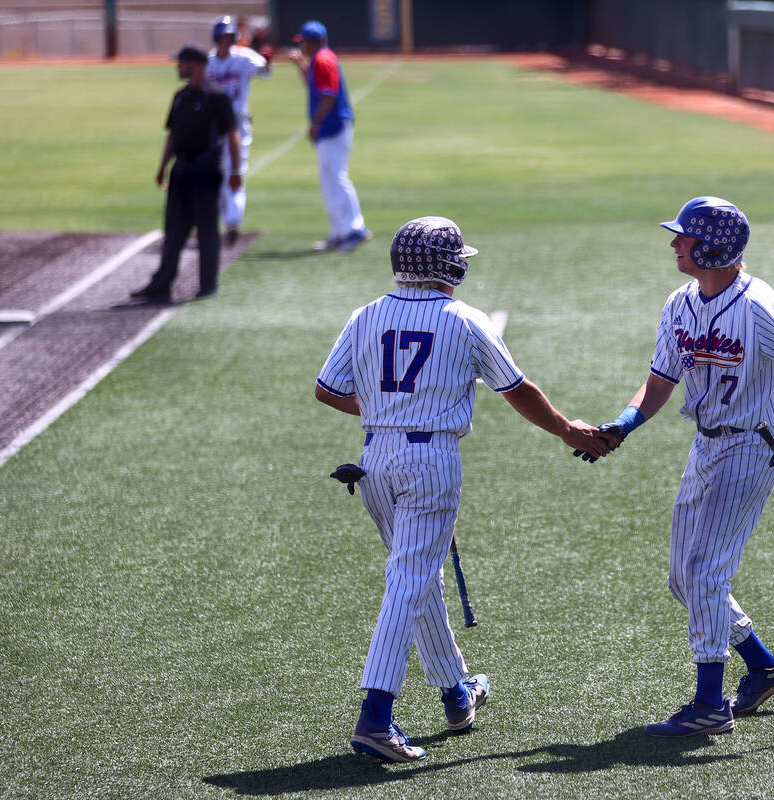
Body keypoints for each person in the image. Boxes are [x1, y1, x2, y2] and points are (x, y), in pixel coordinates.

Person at [315, 216, 609, 762]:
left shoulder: (365, 316)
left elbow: (328, 390)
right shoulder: (464, 320)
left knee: (417, 577)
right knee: (408, 580)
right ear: (448, 267)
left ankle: (455, 691)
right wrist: (570, 430)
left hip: (374, 459)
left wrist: (384, 411)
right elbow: (517, 390)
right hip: (430, 462)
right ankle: (375, 718)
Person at [587, 196, 774, 737]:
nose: (674, 242)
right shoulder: (680, 301)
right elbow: (660, 380)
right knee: (684, 579)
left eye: (684, 236)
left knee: (706, 574)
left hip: (751, 447)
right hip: (704, 446)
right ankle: (765, 665)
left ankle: (709, 704)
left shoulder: (759, 306)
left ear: (712, 246)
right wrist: (624, 424)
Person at [131, 45, 240, 304]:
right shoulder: (180, 96)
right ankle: (162, 283)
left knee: (206, 231)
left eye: (181, 62)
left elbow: (232, 134)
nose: (178, 67)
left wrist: (235, 170)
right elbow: (172, 135)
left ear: (196, 65)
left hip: (205, 172)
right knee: (174, 230)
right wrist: (162, 168)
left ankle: (207, 284)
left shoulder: (216, 97)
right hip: (181, 171)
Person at [287, 20, 371, 252]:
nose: (301, 45)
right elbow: (316, 87)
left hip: (333, 126)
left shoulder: (323, 60)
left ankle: (355, 229)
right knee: (330, 180)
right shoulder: (320, 58)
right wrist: (301, 66)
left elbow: (328, 96)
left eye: (303, 41)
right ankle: (339, 232)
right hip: (331, 126)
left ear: (311, 41)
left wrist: (315, 123)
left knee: (336, 178)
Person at [207, 15, 271, 246]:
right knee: (216, 174)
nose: (227, 41)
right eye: (223, 37)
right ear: (216, 38)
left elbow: (264, 68)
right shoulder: (209, 63)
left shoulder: (243, 58)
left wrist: (267, 58)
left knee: (235, 173)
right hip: (213, 127)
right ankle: (221, 220)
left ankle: (233, 222)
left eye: (230, 37)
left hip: (237, 124)